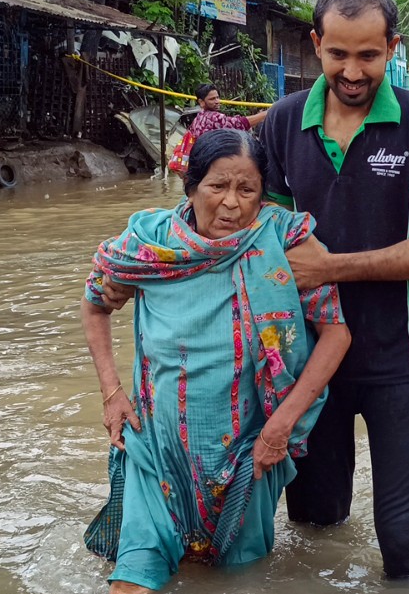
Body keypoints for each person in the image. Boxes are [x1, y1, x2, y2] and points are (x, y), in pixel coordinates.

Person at [258, 0, 409, 578]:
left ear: (392, 49)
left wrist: (331, 268)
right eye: (338, 54)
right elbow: (254, 239)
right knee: (314, 532)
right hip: (308, 363)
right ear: (316, 45)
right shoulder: (280, 124)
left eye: (369, 56)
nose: (352, 71)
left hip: (399, 359)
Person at [81, 129, 352, 594]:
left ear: (262, 194)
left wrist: (280, 428)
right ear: (191, 187)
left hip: (250, 451)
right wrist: (111, 394)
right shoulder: (150, 246)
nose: (231, 204)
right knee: (130, 582)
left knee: (239, 580)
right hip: (156, 448)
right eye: (217, 187)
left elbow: (336, 333)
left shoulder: (286, 241)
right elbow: (94, 305)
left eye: (246, 190)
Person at [169, 84, 268, 175]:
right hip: (210, 163)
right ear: (201, 102)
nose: (217, 101)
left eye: (217, 97)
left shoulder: (200, 115)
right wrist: (266, 114)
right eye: (212, 99)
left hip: (200, 162)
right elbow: (240, 124)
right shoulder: (215, 117)